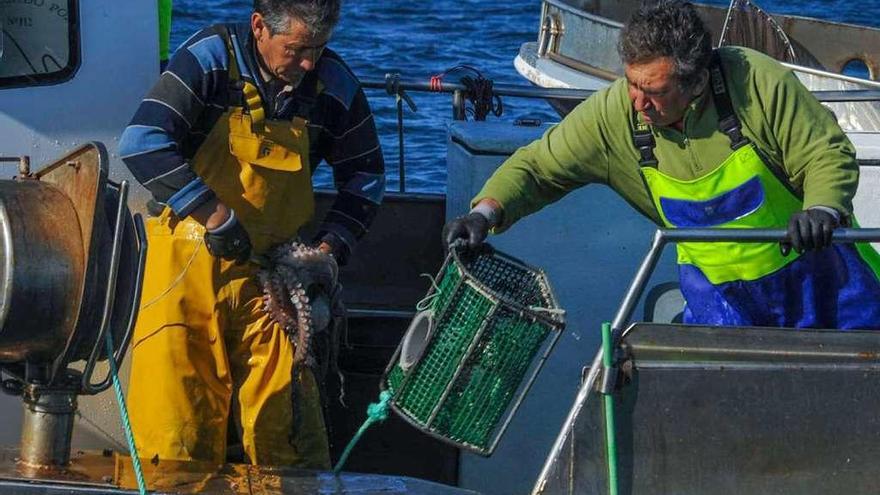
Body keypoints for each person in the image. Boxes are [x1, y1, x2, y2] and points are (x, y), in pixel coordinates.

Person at [444, 0, 880, 329]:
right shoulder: (617, 113)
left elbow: (825, 152)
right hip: (721, 307)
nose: (638, 101)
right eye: (632, 83)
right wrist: (485, 213)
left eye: (653, 90)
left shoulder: (756, 81)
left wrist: (821, 210)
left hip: (826, 287)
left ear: (696, 82)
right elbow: (539, 167)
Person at [118, 0, 385, 468]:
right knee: (176, 436)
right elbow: (143, 142)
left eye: (319, 50)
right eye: (297, 49)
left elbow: (367, 176)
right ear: (259, 27)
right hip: (184, 276)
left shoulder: (333, 84)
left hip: (274, 285)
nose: (307, 64)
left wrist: (326, 252)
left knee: (290, 440)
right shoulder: (208, 59)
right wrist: (214, 216)